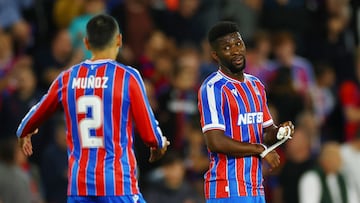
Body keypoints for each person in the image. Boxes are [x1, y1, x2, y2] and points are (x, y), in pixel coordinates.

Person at [16, 14, 170, 203]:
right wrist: (158, 144)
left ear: (86, 43)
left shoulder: (67, 78)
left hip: (78, 186)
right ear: (119, 40)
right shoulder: (127, 77)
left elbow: (36, 113)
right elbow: (149, 135)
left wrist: (25, 131)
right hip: (116, 183)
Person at [197, 21, 295, 203]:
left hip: (256, 185)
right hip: (227, 186)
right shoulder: (212, 88)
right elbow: (215, 141)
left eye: (238, 44)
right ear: (215, 55)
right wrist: (261, 150)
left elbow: (264, 134)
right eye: (226, 47)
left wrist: (280, 132)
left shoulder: (256, 85)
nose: (235, 51)